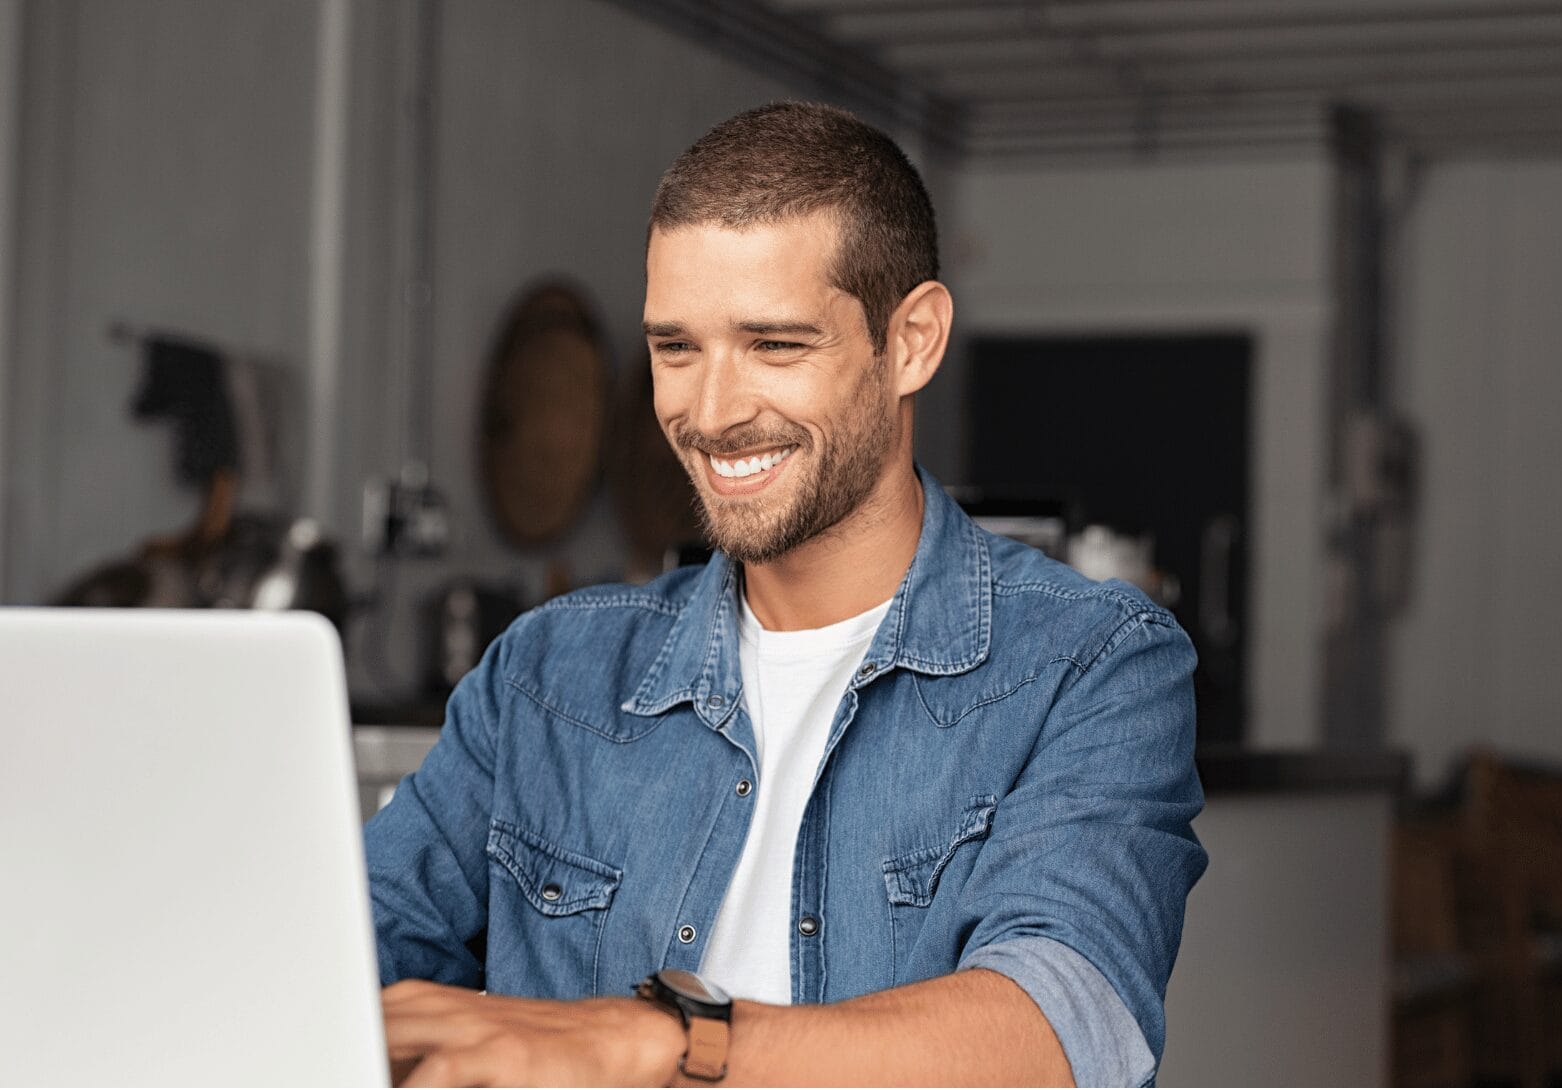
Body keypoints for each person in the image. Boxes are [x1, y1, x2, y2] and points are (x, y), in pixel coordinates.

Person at [365, 101, 1207, 1088]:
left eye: (775, 345)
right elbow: (340, 962)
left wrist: (659, 1039)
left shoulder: (1093, 663)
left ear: (915, 341)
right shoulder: (544, 675)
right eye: (676, 348)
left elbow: (1059, 1036)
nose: (710, 412)